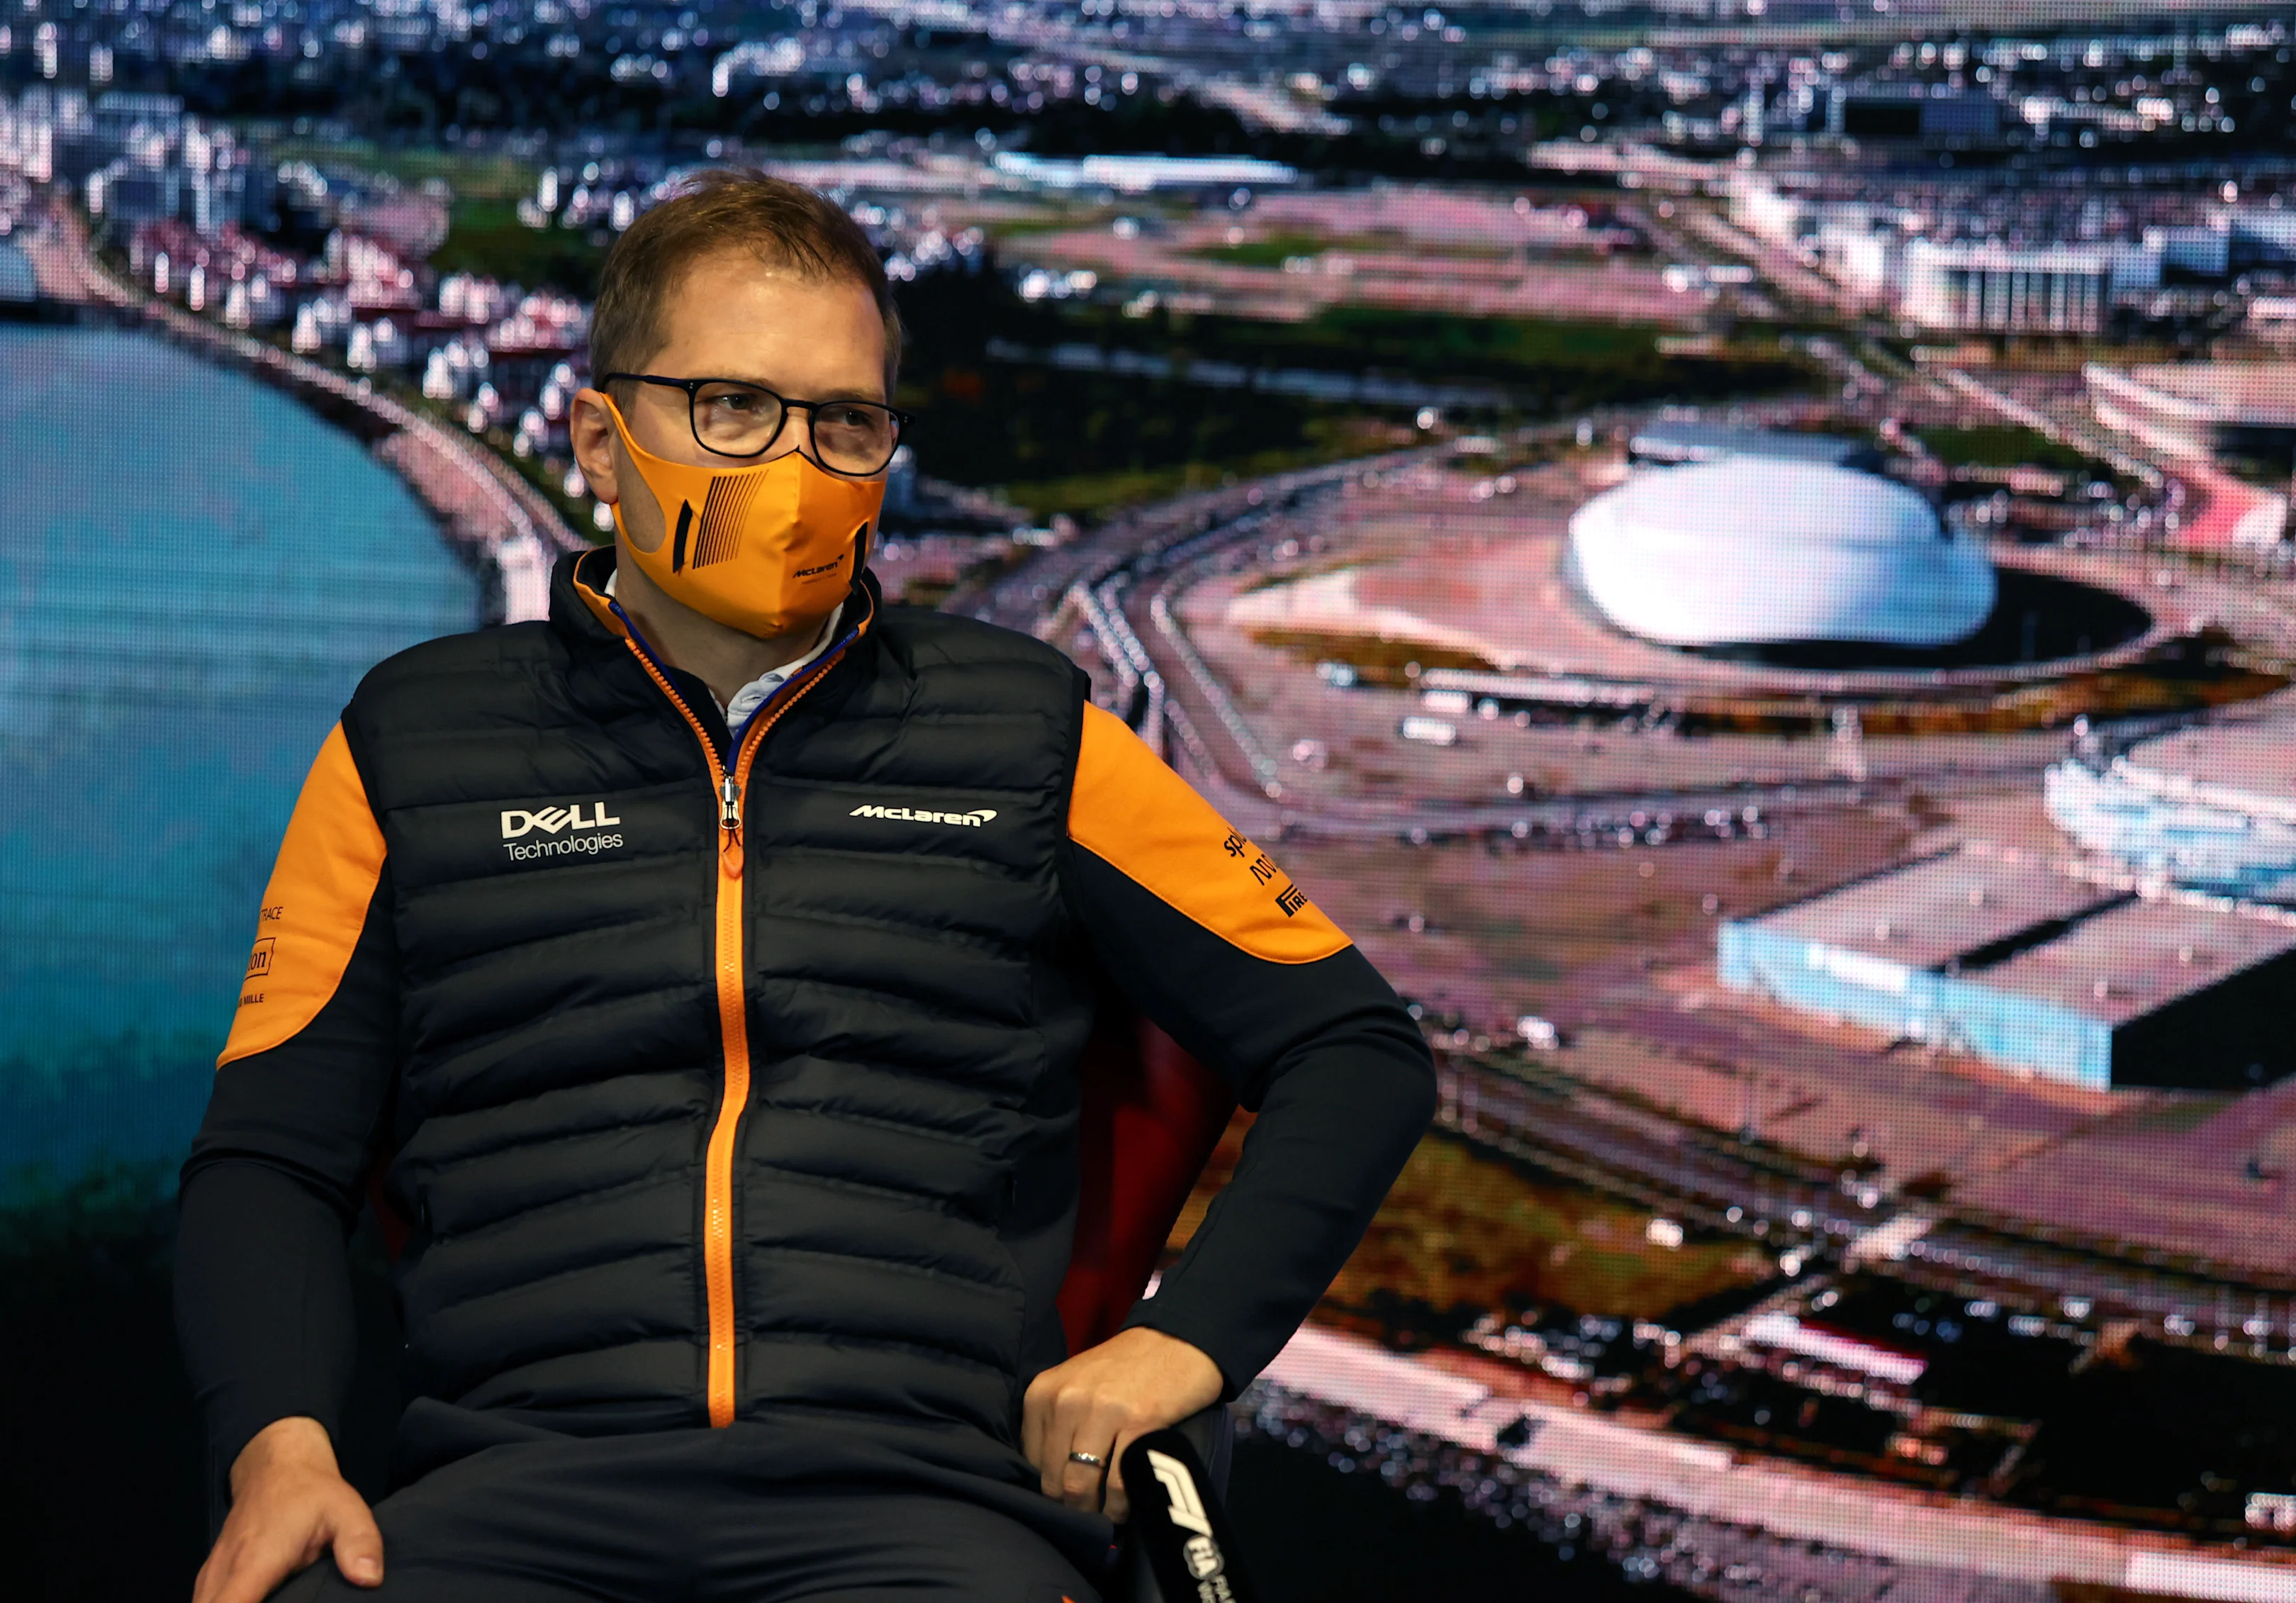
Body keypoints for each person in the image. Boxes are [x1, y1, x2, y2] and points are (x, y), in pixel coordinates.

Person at [176, 169, 1435, 1603]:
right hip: (502, 1500)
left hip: (929, 1511)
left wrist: (1186, 1341)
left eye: (844, 421)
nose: (794, 463)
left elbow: (1351, 1046)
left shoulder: (1025, 732)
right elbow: (272, 1154)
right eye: (732, 406)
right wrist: (278, 1446)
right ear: (598, 434)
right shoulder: (411, 739)